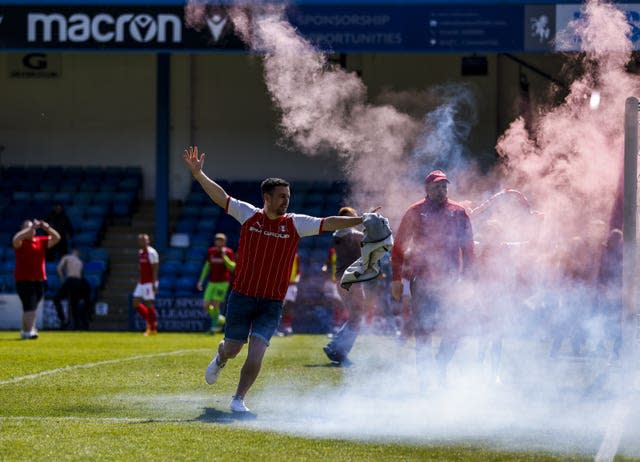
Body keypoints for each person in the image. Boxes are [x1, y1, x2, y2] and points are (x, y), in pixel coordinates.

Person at [183, 145, 366, 414]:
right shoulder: (249, 215)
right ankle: (221, 358)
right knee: (233, 348)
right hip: (242, 297)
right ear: (266, 198)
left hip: (271, 302)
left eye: (288, 196)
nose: (286, 201)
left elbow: (328, 223)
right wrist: (199, 175)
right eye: (281, 197)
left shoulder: (295, 224)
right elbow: (220, 197)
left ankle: (238, 399)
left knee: (256, 352)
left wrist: (360, 220)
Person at [391, 169, 475, 390]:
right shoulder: (415, 211)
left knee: (456, 329)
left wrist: (468, 279)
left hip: (450, 282)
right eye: (437, 185)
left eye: (444, 185)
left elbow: (468, 249)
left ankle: (441, 364)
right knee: (423, 330)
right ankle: (426, 380)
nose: (442, 189)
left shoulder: (459, 212)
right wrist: (396, 279)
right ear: (427, 188)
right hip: (422, 281)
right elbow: (398, 247)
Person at [322, 206, 365, 366]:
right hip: (353, 281)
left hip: (342, 280)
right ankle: (338, 350)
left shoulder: (338, 235)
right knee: (357, 317)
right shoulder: (352, 235)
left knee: (354, 316)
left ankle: (334, 346)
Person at [12, 219, 61, 339]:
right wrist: (30, 228)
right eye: (27, 228)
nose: (31, 230)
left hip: (39, 280)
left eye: (33, 228)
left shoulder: (40, 241)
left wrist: (46, 228)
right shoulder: (21, 242)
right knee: (30, 306)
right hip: (24, 280)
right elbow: (15, 239)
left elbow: (56, 238)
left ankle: (25, 330)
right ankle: (29, 331)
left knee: (30, 307)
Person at [197, 233, 236, 334]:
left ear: (224, 242)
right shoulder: (211, 251)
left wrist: (225, 258)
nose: (219, 242)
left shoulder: (229, 252)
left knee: (215, 305)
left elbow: (232, 267)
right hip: (211, 282)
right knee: (206, 306)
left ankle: (214, 326)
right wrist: (201, 280)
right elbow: (206, 267)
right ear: (215, 241)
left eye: (221, 240)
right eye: (217, 240)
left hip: (222, 283)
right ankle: (220, 319)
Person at [54, 248, 91, 330]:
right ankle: (77, 326)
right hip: (78, 282)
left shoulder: (67, 257)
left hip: (70, 280)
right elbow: (81, 275)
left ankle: (63, 319)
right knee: (74, 304)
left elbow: (59, 268)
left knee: (57, 299)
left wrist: (62, 279)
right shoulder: (80, 262)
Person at [132, 233, 160, 336]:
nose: (142, 242)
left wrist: (154, 283)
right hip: (141, 282)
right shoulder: (140, 252)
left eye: (144, 240)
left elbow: (155, 268)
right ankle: (150, 322)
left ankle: (152, 328)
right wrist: (139, 280)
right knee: (135, 302)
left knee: (149, 304)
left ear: (148, 241)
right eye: (140, 240)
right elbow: (141, 269)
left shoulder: (152, 253)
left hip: (149, 282)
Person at [277, 252, 300, 337]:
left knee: (289, 307)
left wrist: (297, 279)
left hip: (292, 285)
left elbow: (298, 271)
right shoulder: (281, 254)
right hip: (281, 284)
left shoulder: (296, 256)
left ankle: (287, 326)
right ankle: (275, 328)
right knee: (279, 306)